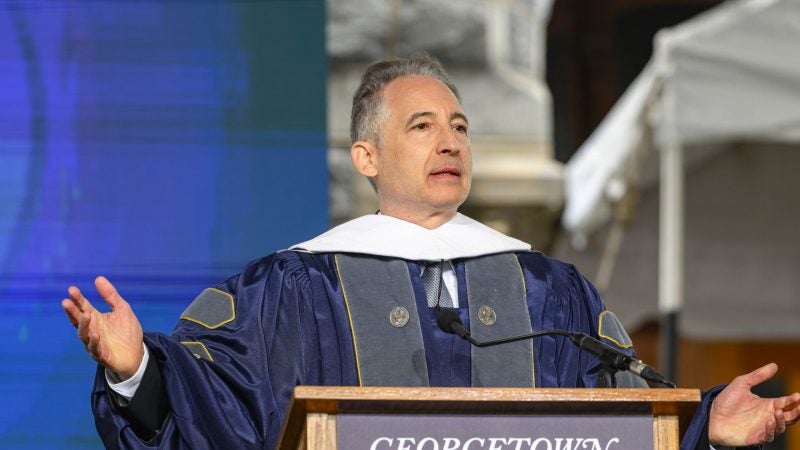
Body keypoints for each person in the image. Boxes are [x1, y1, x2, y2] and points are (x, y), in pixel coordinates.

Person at [62, 54, 800, 449]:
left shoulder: (549, 289)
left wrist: (709, 426)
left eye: (459, 125)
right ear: (367, 156)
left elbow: (624, 412)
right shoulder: (291, 288)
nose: (450, 141)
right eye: (421, 126)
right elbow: (212, 407)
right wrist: (138, 371)